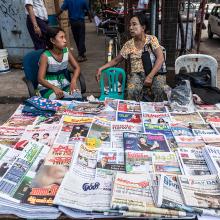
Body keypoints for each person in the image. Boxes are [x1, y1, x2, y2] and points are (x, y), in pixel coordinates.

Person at [96, 13, 166, 102]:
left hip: (154, 73)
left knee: (159, 88)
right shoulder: (128, 44)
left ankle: (157, 113)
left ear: (143, 28)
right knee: (131, 90)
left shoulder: (152, 39)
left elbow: (160, 58)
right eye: (130, 25)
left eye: (134, 24)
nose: (131, 28)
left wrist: (150, 76)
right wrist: (101, 68)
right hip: (137, 75)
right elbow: (116, 60)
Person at [38, 27, 81, 100]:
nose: (65, 40)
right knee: (62, 102)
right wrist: (54, 87)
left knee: (77, 96)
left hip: (63, 83)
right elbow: (40, 79)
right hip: (48, 87)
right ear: (52, 40)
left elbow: (77, 67)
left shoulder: (66, 51)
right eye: (61, 37)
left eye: (65, 37)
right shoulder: (45, 56)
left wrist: (73, 81)